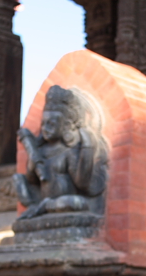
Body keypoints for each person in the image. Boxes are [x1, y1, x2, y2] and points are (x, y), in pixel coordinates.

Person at [14, 85, 108, 217]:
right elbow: (31, 179)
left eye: (51, 124)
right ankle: (39, 207)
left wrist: (87, 147)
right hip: (47, 202)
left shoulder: (68, 150)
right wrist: (33, 162)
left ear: (66, 125)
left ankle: (45, 207)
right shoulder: (40, 150)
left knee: (74, 202)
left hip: (65, 201)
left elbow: (81, 182)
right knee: (17, 179)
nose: (45, 128)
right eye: (43, 124)